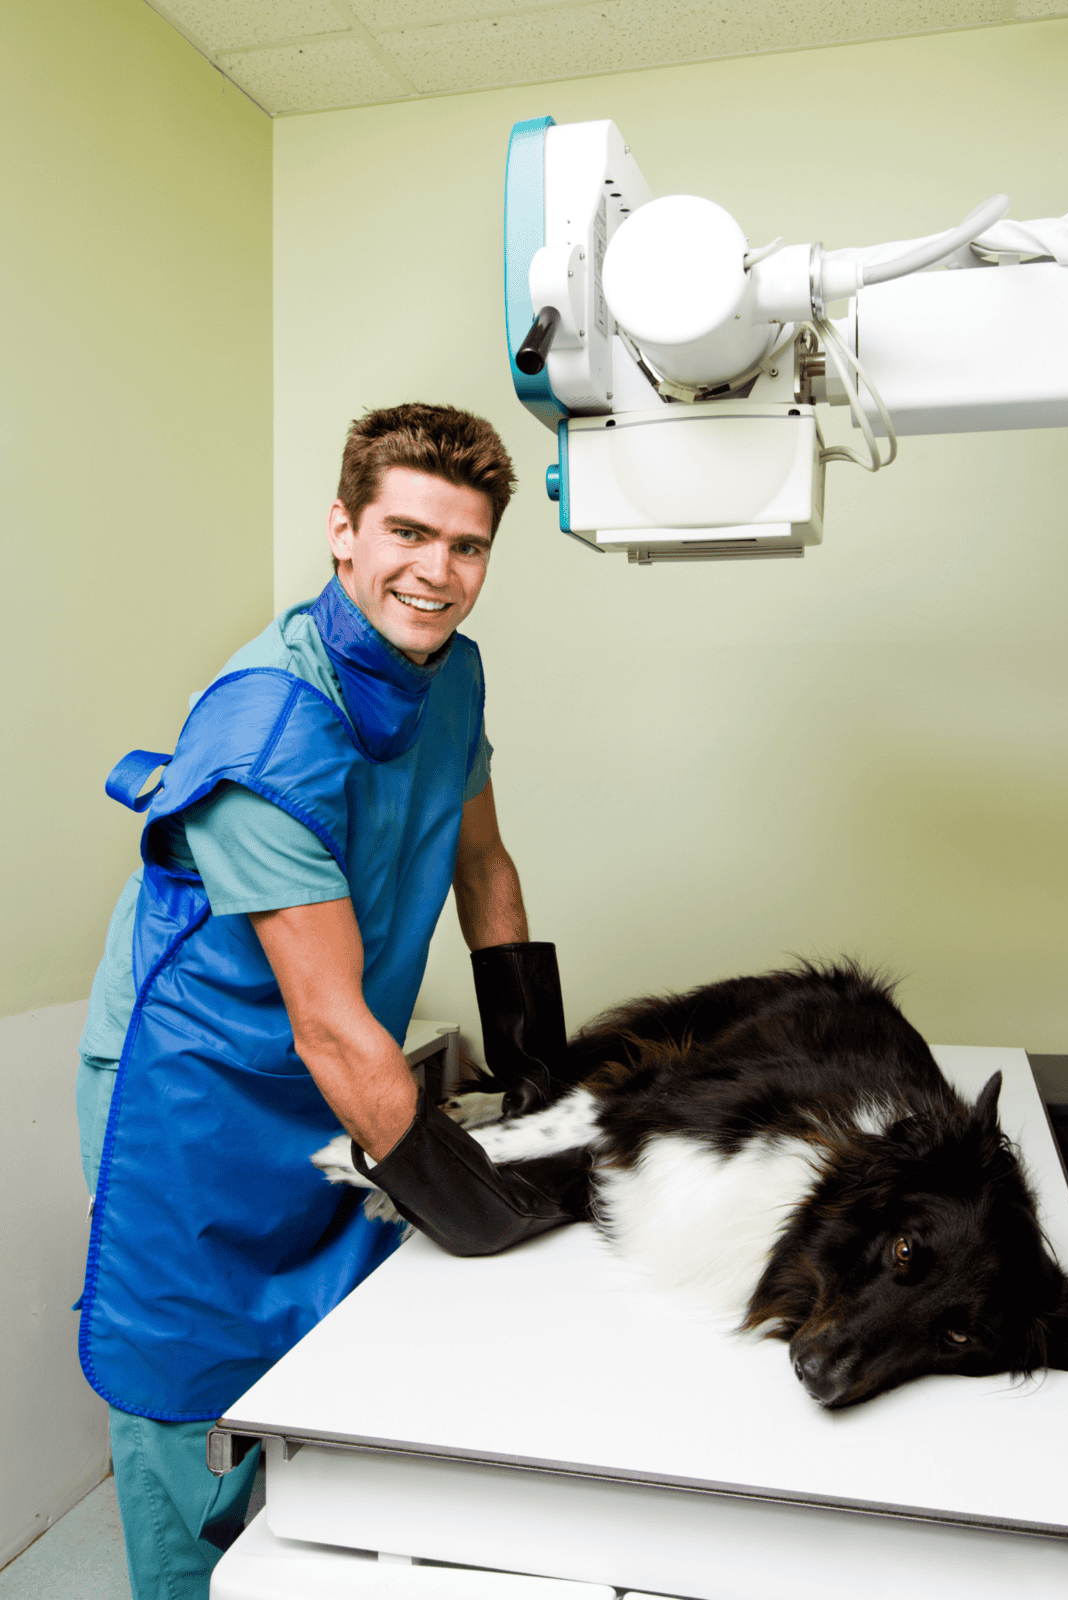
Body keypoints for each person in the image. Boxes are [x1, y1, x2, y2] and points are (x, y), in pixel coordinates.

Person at [75, 403, 578, 1600]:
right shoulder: (270, 731)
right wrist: (486, 1207)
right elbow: (329, 1021)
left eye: (467, 546)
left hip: (336, 1072)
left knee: (328, 1370)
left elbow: (483, 867)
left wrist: (540, 1076)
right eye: (408, 533)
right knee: (188, 1387)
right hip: (191, 1097)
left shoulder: (451, 673)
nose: (437, 572)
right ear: (343, 529)